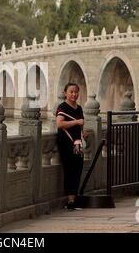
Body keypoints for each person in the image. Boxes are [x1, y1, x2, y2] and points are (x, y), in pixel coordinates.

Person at [56, 82, 85, 210]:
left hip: (77, 143)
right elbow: (60, 124)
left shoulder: (79, 108)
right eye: (71, 92)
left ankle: (74, 198)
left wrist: (84, 132)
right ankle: (70, 201)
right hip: (66, 143)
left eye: (76, 92)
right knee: (69, 170)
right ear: (65, 93)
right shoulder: (62, 107)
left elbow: (81, 125)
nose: (74, 94)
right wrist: (76, 122)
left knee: (78, 169)